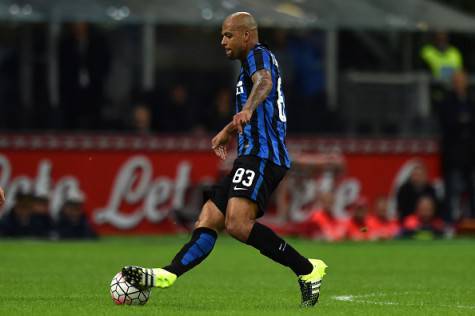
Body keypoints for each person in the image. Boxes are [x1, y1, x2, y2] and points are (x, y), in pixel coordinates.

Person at [122, 12, 327, 307]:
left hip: (263, 155)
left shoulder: (259, 56)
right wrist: (227, 130)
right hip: (250, 154)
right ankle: (168, 274)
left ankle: (307, 269)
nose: (222, 42)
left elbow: (265, 83)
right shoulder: (250, 64)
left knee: (238, 224)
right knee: (209, 217)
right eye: (222, 35)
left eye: (228, 35)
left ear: (246, 35)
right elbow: (254, 106)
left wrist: (246, 109)